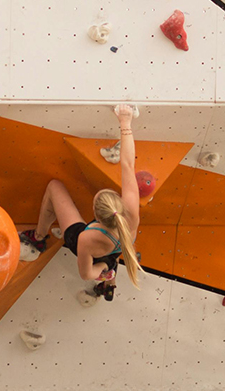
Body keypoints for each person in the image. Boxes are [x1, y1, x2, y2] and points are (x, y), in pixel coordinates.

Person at [20, 104, 145, 301]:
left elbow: (86, 274)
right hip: (116, 247)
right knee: (112, 256)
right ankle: (109, 281)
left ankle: (38, 236)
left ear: (95, 217)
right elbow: (128, 164)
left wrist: (102, 270)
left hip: (91, 247)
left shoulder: (87, 238)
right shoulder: (131, 216)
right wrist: (125, 122)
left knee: (54, 187)